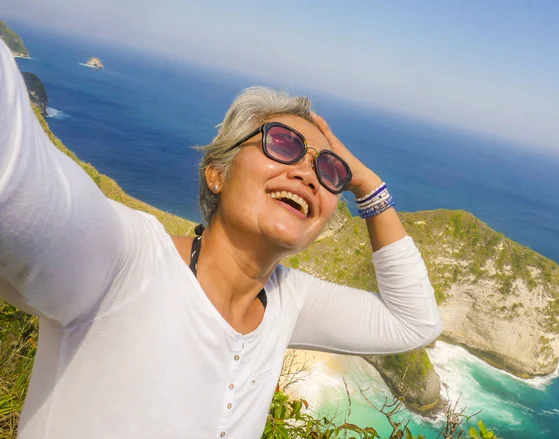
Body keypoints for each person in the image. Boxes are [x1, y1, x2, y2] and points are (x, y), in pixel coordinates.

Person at [0, 39, 442, 439]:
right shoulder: (124, 261)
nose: (308, 172)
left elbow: (414, 322)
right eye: (283, 144)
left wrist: (367, 186)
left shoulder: (289, 302)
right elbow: (15, 173)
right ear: (217, 173)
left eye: (330, 171)